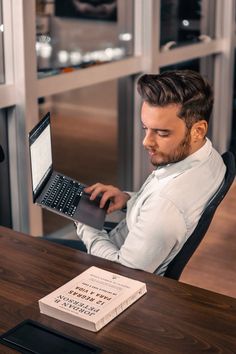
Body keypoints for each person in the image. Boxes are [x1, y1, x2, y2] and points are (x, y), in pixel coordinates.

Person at [73, 70, 226, 275]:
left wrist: (86, 224)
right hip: (129, 240)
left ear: (198, 130)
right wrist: (128, 199)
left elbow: (122, 273)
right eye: (145, 128)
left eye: (162, 133)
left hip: (112, 269)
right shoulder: (209, 156)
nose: (146, 142)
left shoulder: (166, 205)